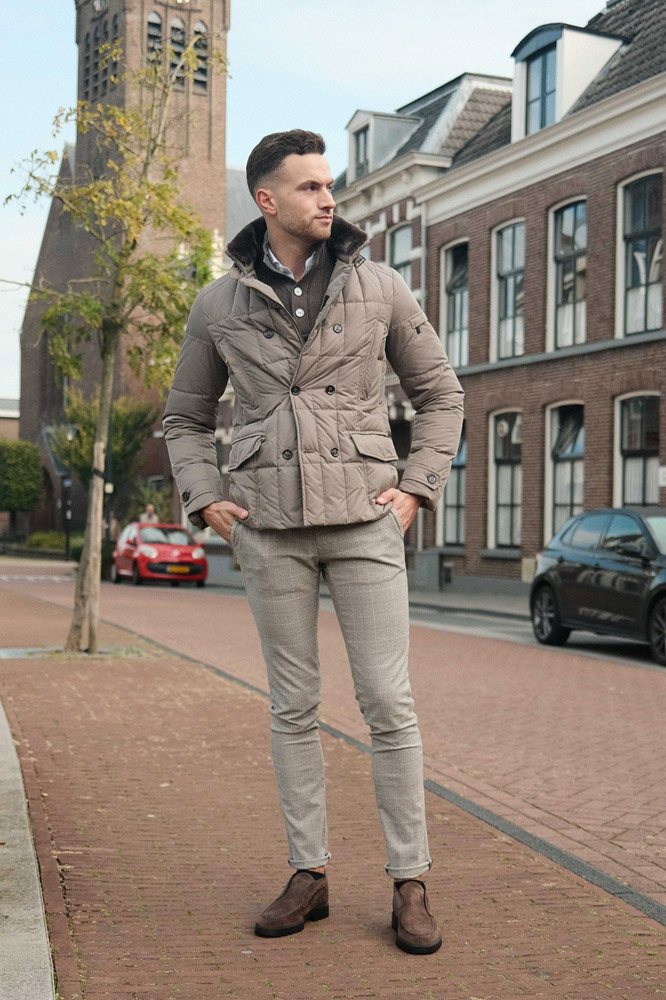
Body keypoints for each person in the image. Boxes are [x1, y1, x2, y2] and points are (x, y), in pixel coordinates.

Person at [163, 130, 463, 954]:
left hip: (367, 520)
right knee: (292, 707)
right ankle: (310, 872)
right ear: (267, 200)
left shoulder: (380, 286)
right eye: (309, 187)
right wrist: (206, 497)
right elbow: (185, 417)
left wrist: (416, 488)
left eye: (330, 185)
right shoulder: (217, 304)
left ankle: (410, 882)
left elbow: (442, 395)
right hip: (269, 528)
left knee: (388, 704)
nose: (329, 199)